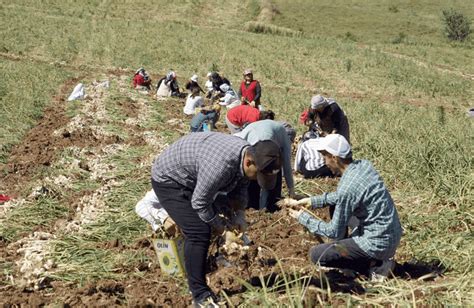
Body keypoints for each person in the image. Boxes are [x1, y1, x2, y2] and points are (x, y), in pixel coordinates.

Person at [151, 132, 282, 306]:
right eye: (257, 175)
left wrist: (239, 214)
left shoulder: (246, 155)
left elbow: (241, 185)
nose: (256, 179)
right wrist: (223, 230)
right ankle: (199, 294)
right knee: (198, 231)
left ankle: (197, 263)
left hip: (194, 176)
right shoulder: (220, 166)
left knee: (220, 209)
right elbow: (200, 203)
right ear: (249, 162)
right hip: (170, 180)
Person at [289, 134, 402, 281]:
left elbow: (332, 230)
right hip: (390, 233)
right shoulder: (363, 165)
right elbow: (341, 197)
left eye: (325, 157)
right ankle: (350, 254)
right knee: (335, 207)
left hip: (378, 243)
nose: (325, 162)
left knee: (317, 255)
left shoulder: (348, 187)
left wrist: (303, 218)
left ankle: (375, 265)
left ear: (334, 158)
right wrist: (311, 201)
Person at [235, 120, 295, 211]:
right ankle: (253, 206)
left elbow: (286, 164)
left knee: (274, 171)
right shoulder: (247, 142)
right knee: (251, 178)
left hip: (269, 143)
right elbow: (286, 165)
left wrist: (291, 190)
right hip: (253, 144)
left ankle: (269, 206)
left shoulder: (281, 136)